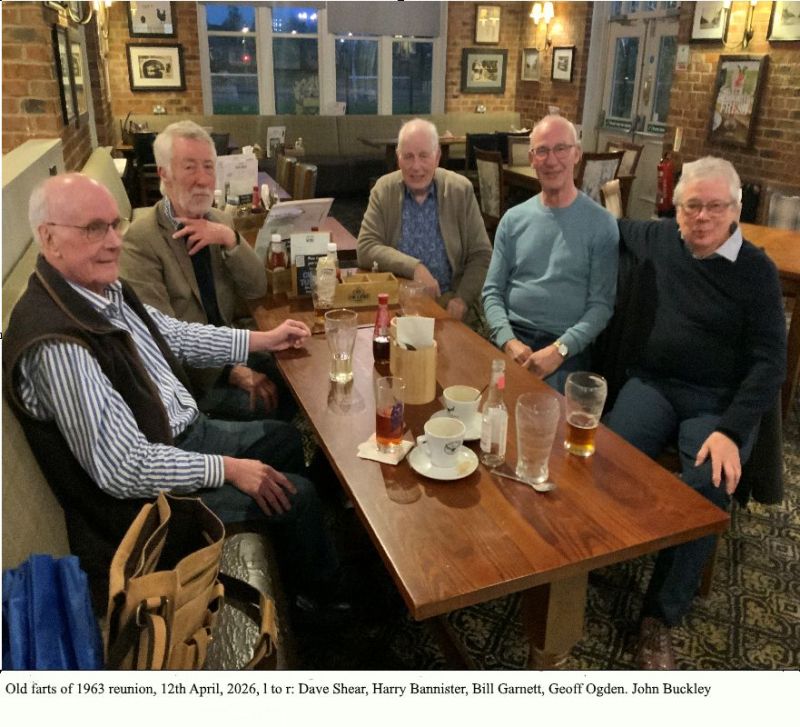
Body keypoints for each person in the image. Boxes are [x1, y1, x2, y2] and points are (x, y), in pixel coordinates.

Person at [3, 173, 346, 620]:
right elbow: (123, 470)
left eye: (114, 225)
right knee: (296, 493)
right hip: (141, 510)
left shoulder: (97, 290)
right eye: (94, 229)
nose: (113, 242)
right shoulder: (59, 343)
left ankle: (295, 557)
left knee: (282, 440)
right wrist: (229, 468)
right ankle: (326, 602)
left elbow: (173, 334)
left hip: (180, 433)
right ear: (49, 238)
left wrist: (264, 340)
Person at [604, 156, 786, 669]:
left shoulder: (756, 271)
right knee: (607, 454)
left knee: (710, 481)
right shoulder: (663, 239)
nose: (701, 218)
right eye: (691, 207)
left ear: (735, 209)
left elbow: (772, 363)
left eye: (714, 207)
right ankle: (602, 551)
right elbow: (609, 226)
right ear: (676, 209)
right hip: (655, 384)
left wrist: (732, 430)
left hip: (718, 404)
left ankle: (658, 617)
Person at [121, 120, 290, 422]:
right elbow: (161, 339)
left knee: (296, 366)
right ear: (164, 174)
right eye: (189, 168)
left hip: (232, 345)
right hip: (195, 379)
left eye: (208, 167)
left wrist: (230, 238)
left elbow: (256, 288)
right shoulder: (141, 240)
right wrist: (231, 372)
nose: (202, 179)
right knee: (273, 401)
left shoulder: (220, 220)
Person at [482, 114, 619, 393]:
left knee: (543, 416)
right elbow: (492, 292)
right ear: (531, 158)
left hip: (566, 348)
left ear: (577, 154)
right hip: (512, 339)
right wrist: (508, 341)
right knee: (482, 404)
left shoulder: (602, 224)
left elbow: (601, 307)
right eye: (542, 150)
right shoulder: (513, 219)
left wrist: (558, 350)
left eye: (561, 149)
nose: (551, 159)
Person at [357, 118, 492, 328]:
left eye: (424, 156)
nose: (416, 166)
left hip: (448, 302)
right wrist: (415, 268)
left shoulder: (459, 190)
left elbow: (481, 255)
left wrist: (462, 299)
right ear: (398, 158)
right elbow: (366, 247)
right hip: (398, 303)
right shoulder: (384, 190)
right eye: (408, 156)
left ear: (437, 157)